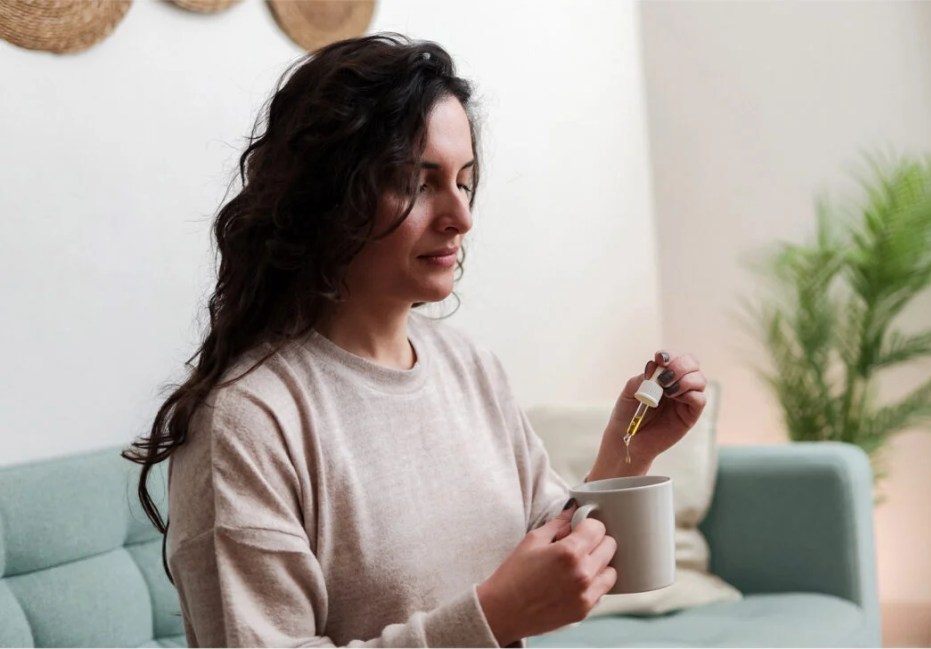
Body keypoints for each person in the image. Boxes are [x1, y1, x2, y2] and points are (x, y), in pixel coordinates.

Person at [124, 33, 707, 648]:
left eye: (464, 181)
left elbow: (554, 551)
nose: (461, 216)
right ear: (328, 195)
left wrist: (628, 450)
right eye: (418, 181)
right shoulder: (247, 422)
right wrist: (491, 620)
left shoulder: (467, 365)